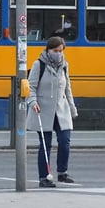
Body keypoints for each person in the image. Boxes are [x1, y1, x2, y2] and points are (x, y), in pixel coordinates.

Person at [27, 36, 78, 188]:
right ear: (48, 50)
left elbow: (67, 88)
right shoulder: (39, 64)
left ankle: (62, 172)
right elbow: (31, 87)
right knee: (45, 144)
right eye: (55, 51)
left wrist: (72, 108)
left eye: (61, 51)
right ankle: (44, 177)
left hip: (61, 109)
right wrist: (33, 102)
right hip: (43, 110)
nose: (58, 54)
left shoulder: (64, 65)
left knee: (65, 141)